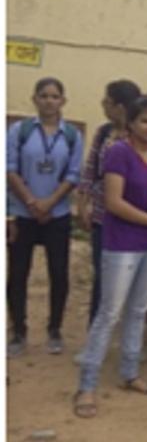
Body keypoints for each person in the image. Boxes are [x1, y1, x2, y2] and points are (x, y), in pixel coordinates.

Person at [72, 97, 147, 418]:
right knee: (109, 312)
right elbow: (114, 202)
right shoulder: (118, 152)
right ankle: (87, 385)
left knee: (138, 310)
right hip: (122, 242)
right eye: (146, 121)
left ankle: (130, 373)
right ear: (131, 123)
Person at [7, 77, 84, 357]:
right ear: (34, 99)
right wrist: (30, 202)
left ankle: (55, 329)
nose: (49, 101)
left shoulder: (72, 135)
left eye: (54, 96)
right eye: (43, 95)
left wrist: (50, 203)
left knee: (59, 274)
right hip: (22, 213)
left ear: (63, 101)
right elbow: (9, 168)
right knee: (17, 274)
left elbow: (73, 174)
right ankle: (18, 331)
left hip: (57, 214)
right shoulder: (20, 131)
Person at [77, 80, 142, 326]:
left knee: (127, 277)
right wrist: (83, 203)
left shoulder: (139, 137)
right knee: (101, 274)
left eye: (107, 101)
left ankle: (123, 328)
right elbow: (91, 168)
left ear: (120, 107)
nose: (103, 105)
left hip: (131, 217)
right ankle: (96, 328)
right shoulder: (104, 132)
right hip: (102, 216)